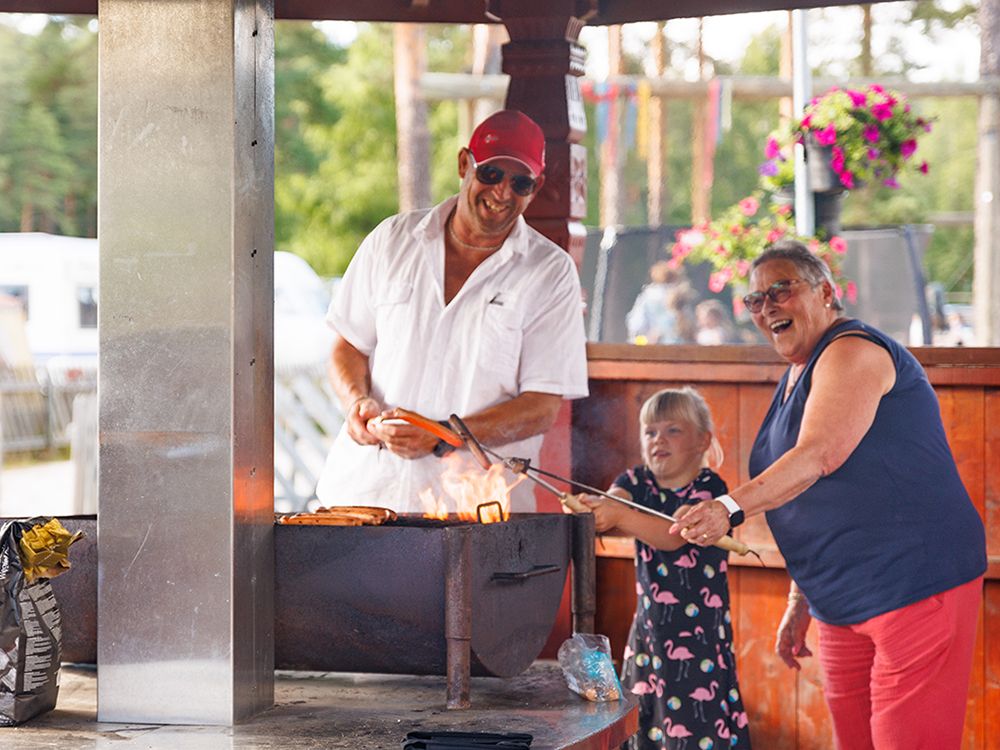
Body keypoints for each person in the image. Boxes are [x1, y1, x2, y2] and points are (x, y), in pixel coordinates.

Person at [673, 240, 987, 749]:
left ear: (825, 291)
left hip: (913, 582)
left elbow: (820, 455)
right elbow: (810, 497)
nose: (768, 305)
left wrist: (727, 508)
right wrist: (802, 598)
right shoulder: (799, 370)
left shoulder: (853, 350)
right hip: (838, 599)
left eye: (781, 289)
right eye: (756, 300)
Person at [316, 110, 589, 513]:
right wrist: (357, 401)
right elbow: (347, 347)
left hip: (473, 510)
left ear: (537, 186)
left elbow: (541, 407)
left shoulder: (550, 271)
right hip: (364, 496)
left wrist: (445, 434)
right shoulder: (391, 240)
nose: (502, 192)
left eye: (521, 182)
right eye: (492, 174)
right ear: (465, 164)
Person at [567, 387, 752, 750]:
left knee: (698, 727)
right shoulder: (636, 482)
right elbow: (613, 504)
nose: (658, 440)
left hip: (699, 642)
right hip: (649, 639)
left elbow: (672, 537)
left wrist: (618, 515)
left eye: (673, 430)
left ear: (702, 441)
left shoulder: (710, 490)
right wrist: (595, 507)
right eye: (650, 432)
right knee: (642, 728)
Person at [625, 262, 696, 344]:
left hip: (653, 343)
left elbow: (637, 323)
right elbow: (690, 321)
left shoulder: (648, 295)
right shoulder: (680, 294)